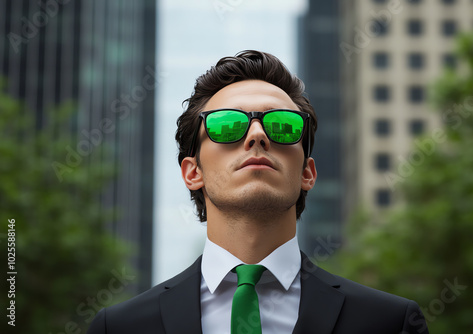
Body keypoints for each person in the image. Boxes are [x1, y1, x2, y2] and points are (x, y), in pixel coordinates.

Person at [87, 50, 429, 334]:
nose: (256, 136)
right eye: (227, 125)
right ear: (193, 173)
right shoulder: (118, 328)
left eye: (282, 125)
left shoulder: (389, 323)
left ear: (307, 173)